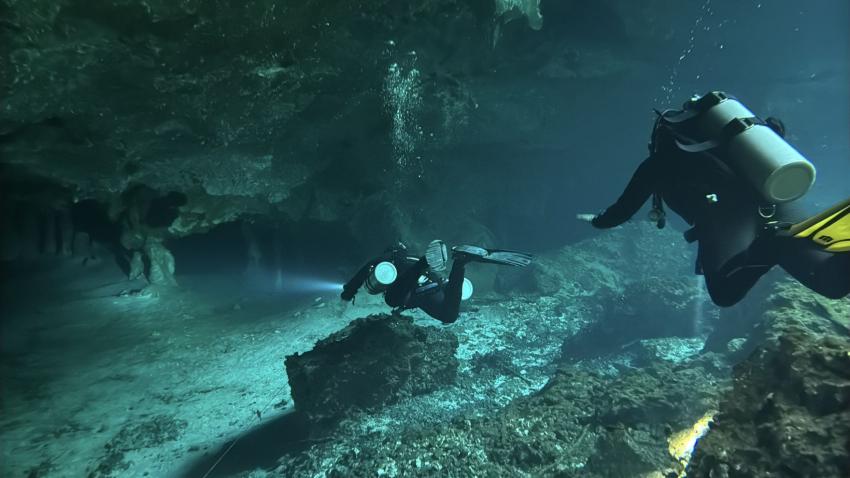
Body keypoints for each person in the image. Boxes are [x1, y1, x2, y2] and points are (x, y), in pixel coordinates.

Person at [578, 91, 850, 307]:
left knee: (725, 292)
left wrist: (597, 220)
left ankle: (773, 247)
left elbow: (621, 212)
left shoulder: (660, 161)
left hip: (729, 218)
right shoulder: (740, 145)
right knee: (833, 283)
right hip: (777, 200)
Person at [341, 240, 532, 323]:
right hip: (432, 286)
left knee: (392, 300)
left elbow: (360, 275)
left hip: (410, 293)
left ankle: (456, 263)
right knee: (449, 315)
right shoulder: (411, 258)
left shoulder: (386, 261)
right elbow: (438, 275)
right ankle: (460, 262)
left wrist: (347, 293)